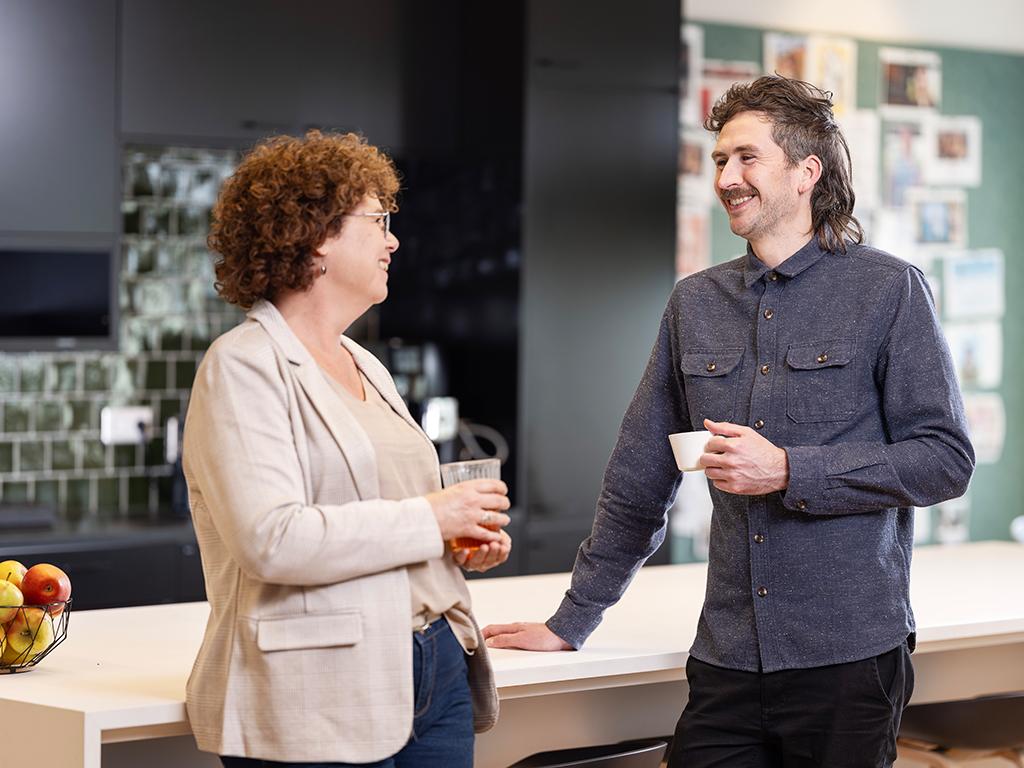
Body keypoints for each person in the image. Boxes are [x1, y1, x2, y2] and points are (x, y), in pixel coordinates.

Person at [483, 76, 975, 767]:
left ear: (807, 173)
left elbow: (945, 459)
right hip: (727, 658)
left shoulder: (889, 290)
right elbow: (639, 478)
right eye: (719, 160)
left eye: (747, 158)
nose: (727, 177)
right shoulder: (695, 303)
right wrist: (572, 621)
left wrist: (788, 469)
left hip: (849, 658)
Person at [183, 130, 512, 768]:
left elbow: (379, 514)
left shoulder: (364, 363)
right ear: (316, 234)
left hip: (432, 668)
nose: (392, 240)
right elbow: (271, 538)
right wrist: (432, 518)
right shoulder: (243, 366)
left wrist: (452, 539)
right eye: (379, 220)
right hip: (316, 689)